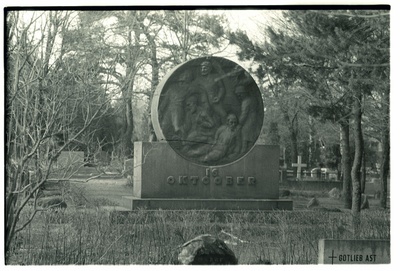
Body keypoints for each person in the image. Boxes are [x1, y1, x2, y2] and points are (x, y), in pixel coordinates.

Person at [193, 60, 227, 125]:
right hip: (203, 103)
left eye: (205, 68)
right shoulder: (198, 80)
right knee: (205, 118)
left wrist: (219, 97)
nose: (203, 70)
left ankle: (225, 130)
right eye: (202, 68)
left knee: (224, 115)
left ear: (210, 69)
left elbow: (221, 88)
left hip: (214, 101)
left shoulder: (216, 76)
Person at [234, 85, 259, 154]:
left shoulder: (246, 102)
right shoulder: (252, 99)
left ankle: (243, 150)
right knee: (250, 134)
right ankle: (248, 149)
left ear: (243, 93)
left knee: (245, 133)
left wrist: (239, 124)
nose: (239, 96)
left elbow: (244, 114)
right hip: (253, 119)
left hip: (249, 120)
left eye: (239, 94)